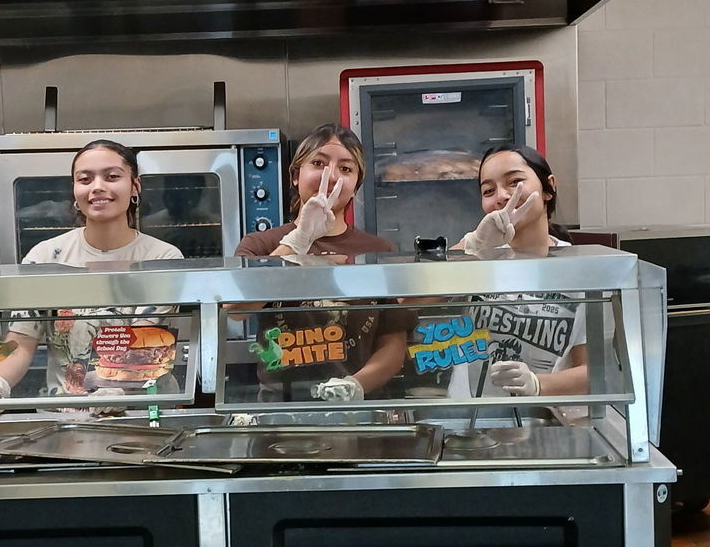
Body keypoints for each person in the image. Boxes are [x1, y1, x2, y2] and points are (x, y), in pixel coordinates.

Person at [0, 139, 183, 401]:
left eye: (112, 176)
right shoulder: (44, 257)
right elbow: (21, 342)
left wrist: (116, 389)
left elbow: (145, 341)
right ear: (74, 190)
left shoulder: (163, 258)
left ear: (134, 186)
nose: (97, 187)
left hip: (142, 414)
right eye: (85, 179)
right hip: (66, 417)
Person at [234, 123, 415, 401]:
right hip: (281, 409)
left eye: (346, 169)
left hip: (363, 409)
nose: (331, 176)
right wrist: (299, 239)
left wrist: (354, 386)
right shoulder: (261, 245)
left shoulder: (379, 251)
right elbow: (236, 309)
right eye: (318, 163)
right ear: (295, 176)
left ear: (355, 186)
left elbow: (393, 341)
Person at [447, 143, 587, 400]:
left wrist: (537, 384)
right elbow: (414, 298)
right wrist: (474, 244)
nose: (501, 196)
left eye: (514, 182)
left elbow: (595, 371)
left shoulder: (579, 270)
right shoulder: (477, 253)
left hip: (539, 419)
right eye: (488, 190)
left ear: (549, 188)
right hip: (469, 419)